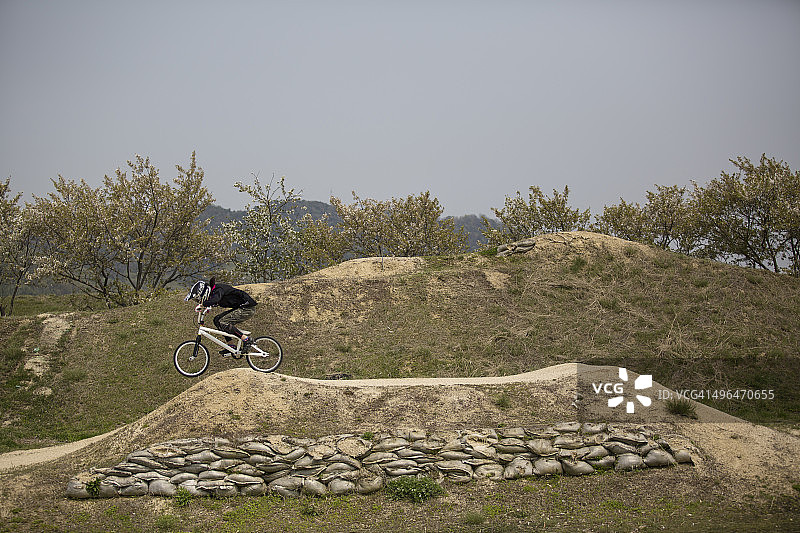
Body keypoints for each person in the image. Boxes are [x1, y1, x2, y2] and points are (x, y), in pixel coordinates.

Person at [184, 277, 258, 354]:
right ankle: (231, 346)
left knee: (223, 321)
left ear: (204, 293)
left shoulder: (218, 289)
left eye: (198, 299)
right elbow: (215, 301)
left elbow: (215, 299)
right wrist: (207, 306)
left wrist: (203, 304)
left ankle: (246, 339)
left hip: (247, 309)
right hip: (240, 308)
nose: (199, 301)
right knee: (217, 320)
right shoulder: (214, 292)